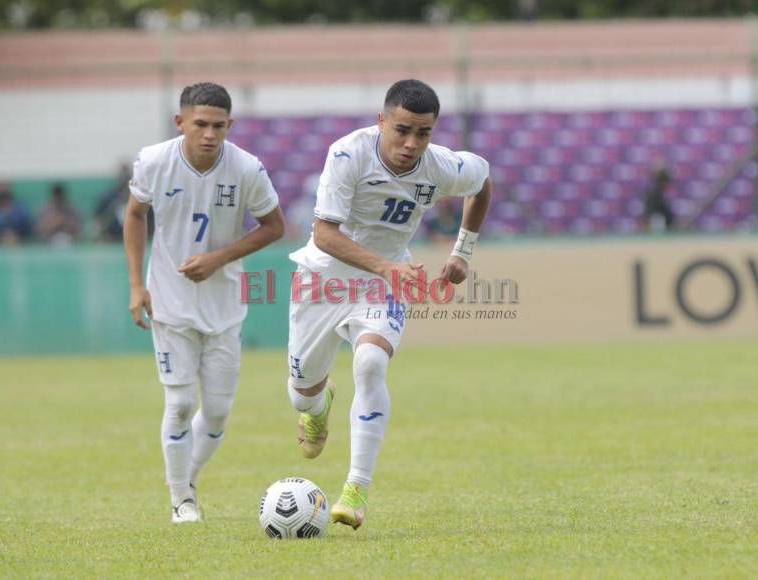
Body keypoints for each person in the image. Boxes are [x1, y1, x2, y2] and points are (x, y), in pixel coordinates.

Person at [286, 79, 491, 529]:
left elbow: (482, 180)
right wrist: (384, 267)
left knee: (371, 365)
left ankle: (355, 489)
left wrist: (463, 251)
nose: (411, 143)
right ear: (381, 121)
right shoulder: (347, 155)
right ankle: (317, 410)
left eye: (424, 133)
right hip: (324, 281)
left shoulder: (441, 166)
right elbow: (323, 234)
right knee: (301, 392)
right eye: (402, 130)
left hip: (385, 281)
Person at [123, 82, 285, 524]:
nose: (210, 134)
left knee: (216, 413)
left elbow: (274, 226)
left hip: (224, 305)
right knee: (178, 404)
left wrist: (218, 258)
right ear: (180, 123)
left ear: (230, 125)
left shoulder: (247, 169)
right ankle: (181, 501)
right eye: (200, 124)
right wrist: (137, 284)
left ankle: (186, 477)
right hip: (170, 304)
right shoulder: (154, 161)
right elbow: (135, 214)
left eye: (219, 126)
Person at [642, 162, 675, 233]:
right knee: (657, 220)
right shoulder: (654, 193)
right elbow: (651, 210)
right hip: (657, 221)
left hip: (661, 221)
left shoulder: (657, 192)